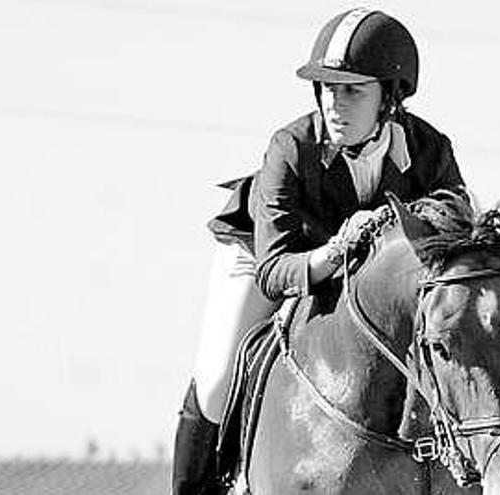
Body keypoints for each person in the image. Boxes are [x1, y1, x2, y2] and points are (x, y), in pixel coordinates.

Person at [171, 7, 465, 495]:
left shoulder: (431, 152)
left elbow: (450, 245)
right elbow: (273, 268)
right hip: (269, 254)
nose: (336, 103)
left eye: (353, 90)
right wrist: (333, 252)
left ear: (389, 98)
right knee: (220, 376)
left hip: (366, 275)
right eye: (329, 88)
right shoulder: (290, 146)